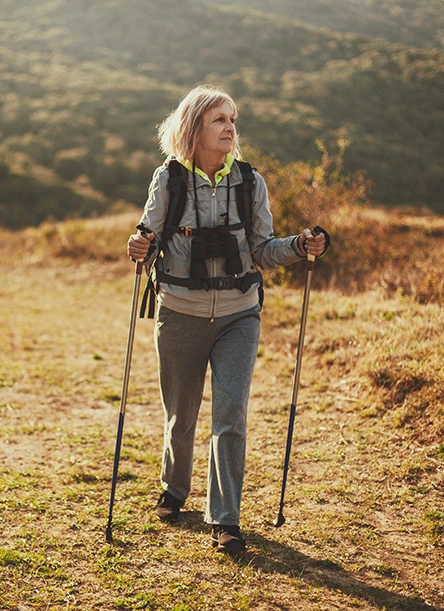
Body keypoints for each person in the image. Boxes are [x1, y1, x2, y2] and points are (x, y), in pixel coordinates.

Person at [126, 85, 328, 556]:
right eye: (219, 119)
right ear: (194, 126)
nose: (230, 127)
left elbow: (262, 249)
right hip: (179, 313)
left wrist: (299, 245)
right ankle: (175, 490)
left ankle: (225, 519)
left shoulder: (249, 182)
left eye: (233, 119)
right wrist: (138, 248)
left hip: (240, 315)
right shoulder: (169, 179)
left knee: (230, 417)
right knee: (181, 415)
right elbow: (148, 237)